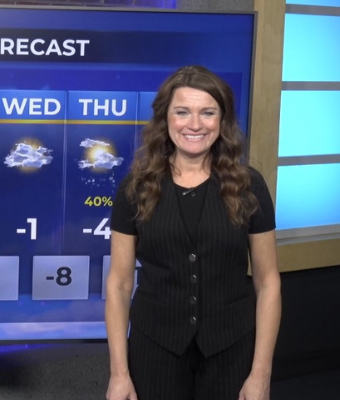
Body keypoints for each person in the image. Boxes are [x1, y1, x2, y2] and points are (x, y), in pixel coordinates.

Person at [104, 65, 281, 400]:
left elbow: (268, 281)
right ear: (165, 118)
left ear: (222, 120)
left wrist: (261, 375)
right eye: (182, 112)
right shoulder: (135, 188)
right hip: (155, 349)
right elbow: (119, 284)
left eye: (208, 113)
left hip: (232, 350)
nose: (195, 124)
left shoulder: (250, 185)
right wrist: (118, 374)